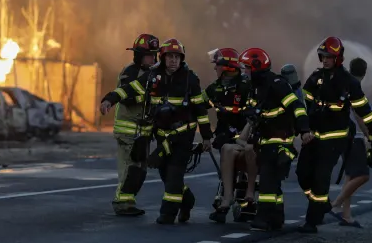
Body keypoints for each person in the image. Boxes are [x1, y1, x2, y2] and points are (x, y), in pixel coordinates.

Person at [99, 38, 213, 225]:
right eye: (170, 57)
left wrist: (207, 137)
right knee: (165, 174)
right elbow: (129, 89)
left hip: (183, 136)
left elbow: (200, 109)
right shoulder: (152, 76)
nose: (173, 61)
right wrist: (109, 100)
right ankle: (187, 200)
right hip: (162, 138)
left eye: (177, 57)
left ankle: (168, 214)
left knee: (175, 173)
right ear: (163, 58)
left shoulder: (189, 79)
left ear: (181, 59)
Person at [297, 36, 372, 234]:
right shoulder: (315, 77)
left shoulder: (349, 82)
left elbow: (364, 111)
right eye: (323, 56)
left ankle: (312, 221)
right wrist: (303, 130)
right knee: (302, 174)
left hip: (334, 139)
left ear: (338, 58)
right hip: (313, 136)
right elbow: (302, 105)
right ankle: (320, 204)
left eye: (329, 56)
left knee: (321, 177)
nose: (325, 60)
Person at [238, 48, 313, 231]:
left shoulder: (277, 84)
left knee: (267, 182)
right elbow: (252, 109)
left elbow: (296, 107)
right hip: (265, 140)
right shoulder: (254, 87)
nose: (244, 72)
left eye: (246, 68)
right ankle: (277, 217)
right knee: (272, 181)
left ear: (256, 67)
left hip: (280, 142)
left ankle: (263, 218)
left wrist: (304, 130)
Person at [201, 47, 258, 222]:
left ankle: (246, 195)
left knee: (242, 159)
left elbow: (254, 114)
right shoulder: (215, 88)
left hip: (246, 135)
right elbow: (199, 104)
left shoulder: (247, 86)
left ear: (226, 67)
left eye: (217, 65)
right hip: (225, 134)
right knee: (226, 151)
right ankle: (226, 196)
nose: (214, 69)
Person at [111, 33, 160, 216]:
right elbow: (128, 98)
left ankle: (129, 202)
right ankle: (121, 203)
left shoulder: (153, 74)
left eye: (155, 55)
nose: (153, 59)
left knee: (139, 170)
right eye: (149, 55)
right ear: (138, 55)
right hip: (127, 130)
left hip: (143, 132)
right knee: (128, 168)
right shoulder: (130, 72)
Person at [329, 57, 372, 227]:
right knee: (363, 175)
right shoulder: (355, 85)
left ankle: (347, 216)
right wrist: (368, 134)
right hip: (353, 137)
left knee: (350, 175)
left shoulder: (344, 83)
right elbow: (358, 114)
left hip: (342, 135)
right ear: (365, 71)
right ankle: (335, 205)